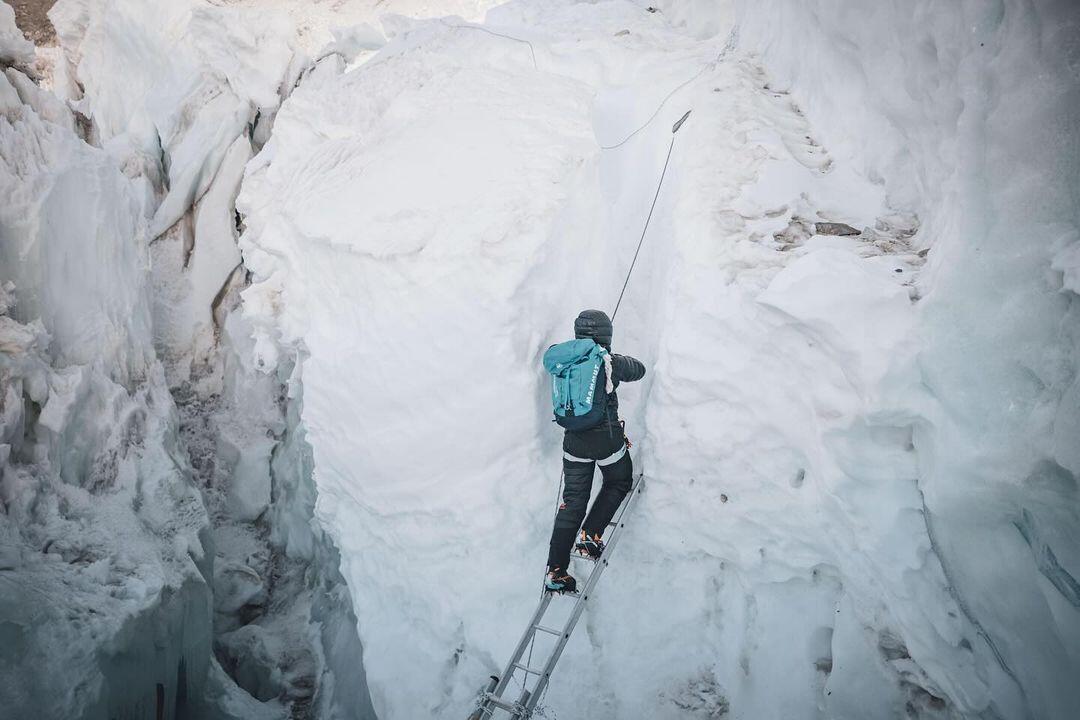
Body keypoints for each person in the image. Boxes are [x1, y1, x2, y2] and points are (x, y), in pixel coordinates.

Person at [544, 309, 645, 593]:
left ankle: (556, 571)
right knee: (619, 481)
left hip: (573, 443)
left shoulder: (560, 358)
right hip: (605, 440)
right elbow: (639, 369)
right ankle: (591, 535)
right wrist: (613, 359)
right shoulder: (609, 361)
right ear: (605, 334)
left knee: (572, 504)